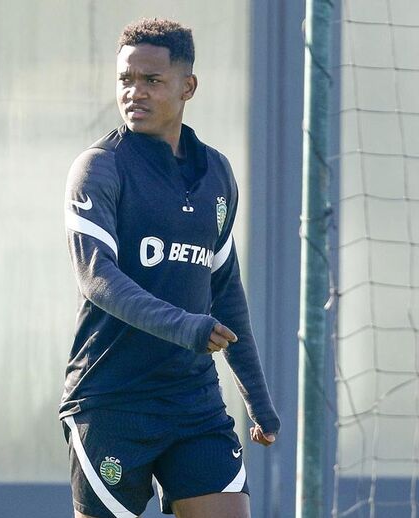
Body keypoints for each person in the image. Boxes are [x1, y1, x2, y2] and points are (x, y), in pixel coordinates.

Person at [61, 18, 280, 518]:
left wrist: (257, 398)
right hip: (112, 403)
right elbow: (98, 278)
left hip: (192, 402)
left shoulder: (216, 173)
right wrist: (186, 327)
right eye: (125, 79)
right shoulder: (99, 168)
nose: (134, 92)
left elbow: (225, 290)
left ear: (188, 86)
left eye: (152, 80)